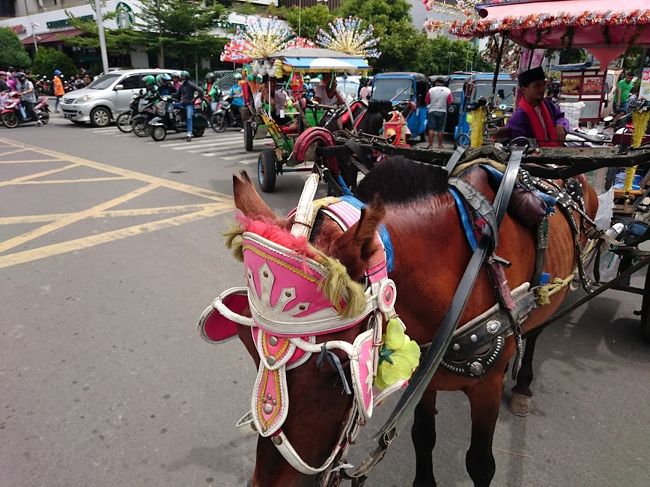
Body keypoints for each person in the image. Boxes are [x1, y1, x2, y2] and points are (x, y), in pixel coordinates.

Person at [496, 67, 568, 147]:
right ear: (523, 90)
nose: (542, 89)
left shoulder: (548, 105)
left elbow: (560, 117)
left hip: (555, 151)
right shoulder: (519, 116)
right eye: (537, 85)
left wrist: (560, 125)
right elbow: (521, 145)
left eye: (543, 84)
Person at [175, 70, 203, 141]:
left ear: (187, 78)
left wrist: (194, 99)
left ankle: (189, 134)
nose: (182, 78)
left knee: (189, 117)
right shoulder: (181, 86)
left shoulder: (191, 84)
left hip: (189, 105)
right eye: (181, 77)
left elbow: (200, 91)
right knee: (171, 106)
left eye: (183, 77)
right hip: (182, 104)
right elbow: (176, 94)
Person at [425, 77, 452, 149]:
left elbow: (427, 101)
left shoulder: (430, 90)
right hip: (443, 111)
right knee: (440, 129)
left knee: (431, 129)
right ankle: (440, 145)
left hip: (432, 111)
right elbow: (450, 102)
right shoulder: (448, 91)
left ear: (436, 82)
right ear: (443, 83)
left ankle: (430, 145)